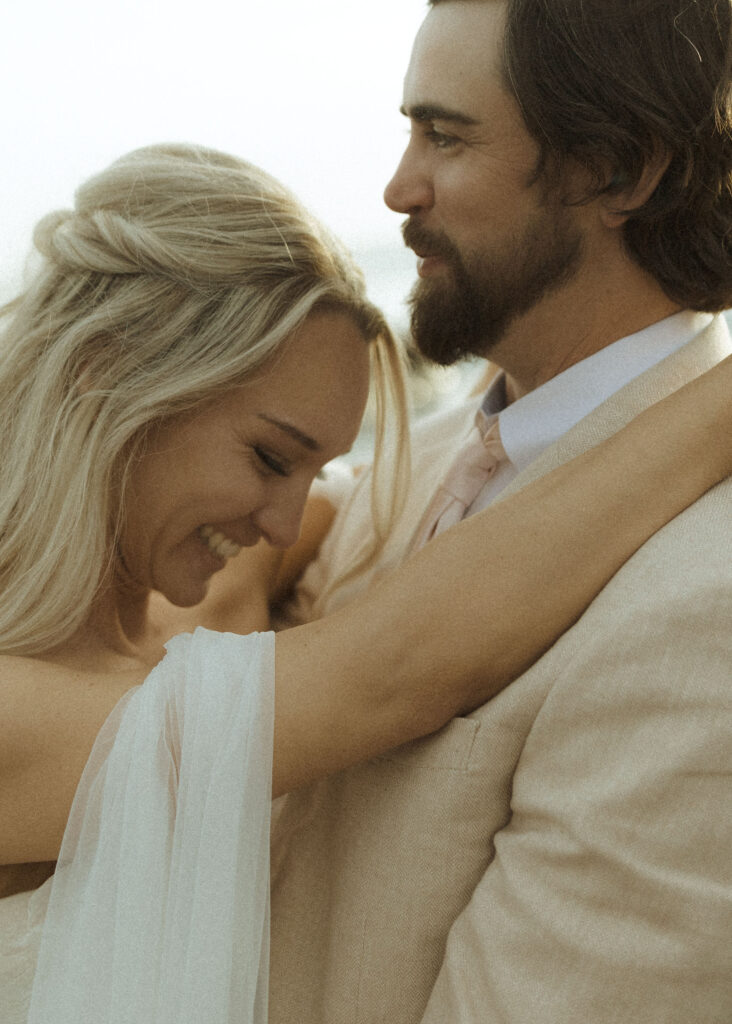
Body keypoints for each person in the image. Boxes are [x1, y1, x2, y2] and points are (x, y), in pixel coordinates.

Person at [0, 147, 728, 1024]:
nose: (282, 518)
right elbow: (392, 666)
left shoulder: (208, 599)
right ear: (107, 367)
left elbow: (329, 527)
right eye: (270, 457)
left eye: (312, 469)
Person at [268, 1, 732, 1022]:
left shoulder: (708, 608)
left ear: (619, 170)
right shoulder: (414, 462)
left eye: (446, 135)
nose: (398, 187)